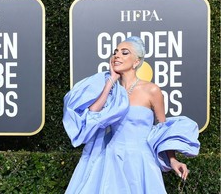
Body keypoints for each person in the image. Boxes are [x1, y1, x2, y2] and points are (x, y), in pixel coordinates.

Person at [62, 36, 200, 194]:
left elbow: (163, 129)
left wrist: (173, 160)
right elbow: (93, 115)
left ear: (136, 62)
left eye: (124, 52)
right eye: (115, 52)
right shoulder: (111, 90)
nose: (117, 55)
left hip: (141, 161)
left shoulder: (152, 90)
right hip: (111, 159)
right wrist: (111, 81)